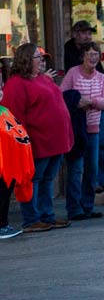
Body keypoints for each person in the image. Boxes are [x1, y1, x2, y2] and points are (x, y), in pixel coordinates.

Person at [0, 43, 74, 232]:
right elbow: (14, 118)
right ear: (26, 60)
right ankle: (31, 219)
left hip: (54, 141)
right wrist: (22, 144)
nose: (42, 60)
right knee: (32, 180)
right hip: (37, 142)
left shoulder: (43, 79)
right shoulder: (16, 84)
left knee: (47, 179)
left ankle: (46, 216)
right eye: (38, 57)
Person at [64, 20, 104, 194]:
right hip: (77, 110)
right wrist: (78, 101)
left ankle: (101, 180)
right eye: (83, 32)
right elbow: (65, 86)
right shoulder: (67, 51)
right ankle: (81, 192)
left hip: (95, 109)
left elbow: (101, 78)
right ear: (74, 34)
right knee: (78, 150)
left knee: (99, 144)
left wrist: (97, 99)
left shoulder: (94, 53)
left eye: (89, 32)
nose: (87, 35)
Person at [60, 41, 104, 221]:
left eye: (96, 55)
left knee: (92, 169)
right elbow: (62, 95)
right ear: (83, 56)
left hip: (94, 129)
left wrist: (89, 102)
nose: (93, 58)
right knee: (76, 169)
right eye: (89, 55)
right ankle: (74, 209)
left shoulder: (102, 78)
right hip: (76, 129)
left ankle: (88, 206)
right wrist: (78, 102)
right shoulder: (73, 73)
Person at [0, 77, 36, 240]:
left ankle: (3, 223)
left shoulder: (4, 111)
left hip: (8, 160)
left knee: (5, 190)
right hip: (3, 160)